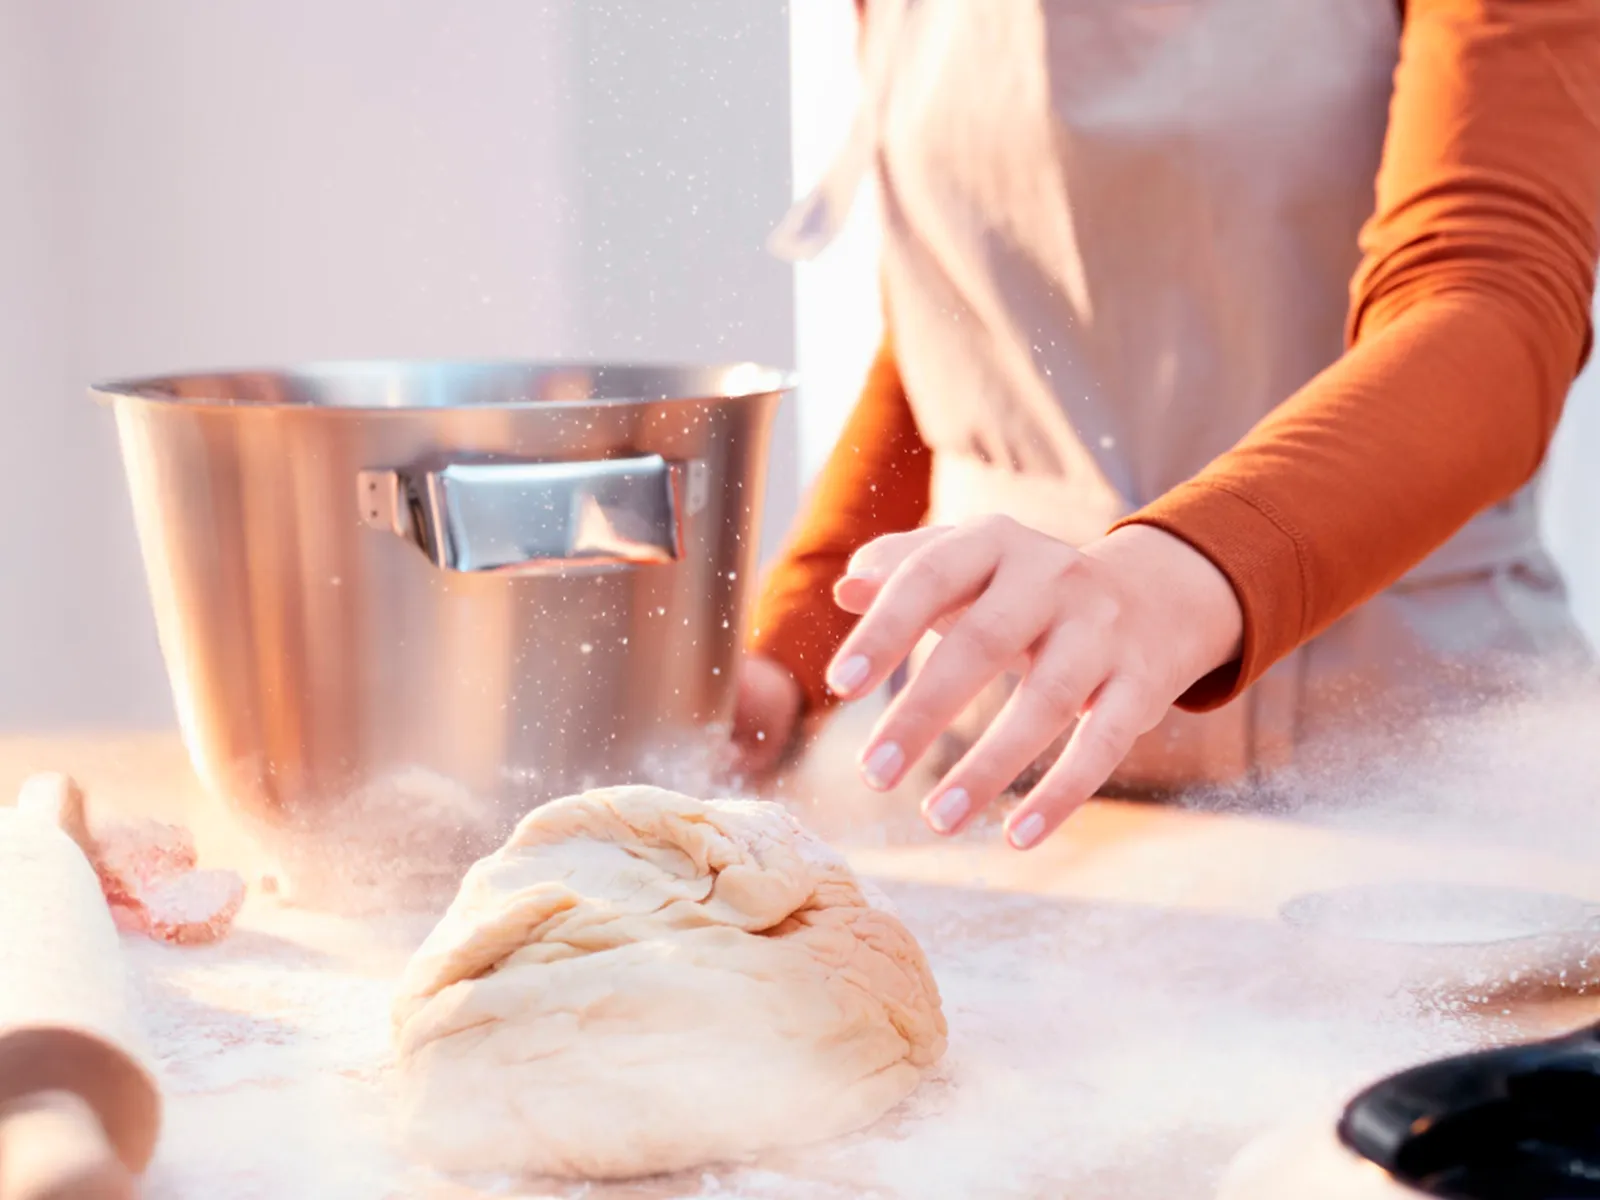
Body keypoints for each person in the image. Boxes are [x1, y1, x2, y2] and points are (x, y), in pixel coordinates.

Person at [731, 0, 1600, 851]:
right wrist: (794, 657)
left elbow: (1491, 310)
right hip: (1006, 787)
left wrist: (1174, 573)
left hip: (1415, 783)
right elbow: (967, 333)